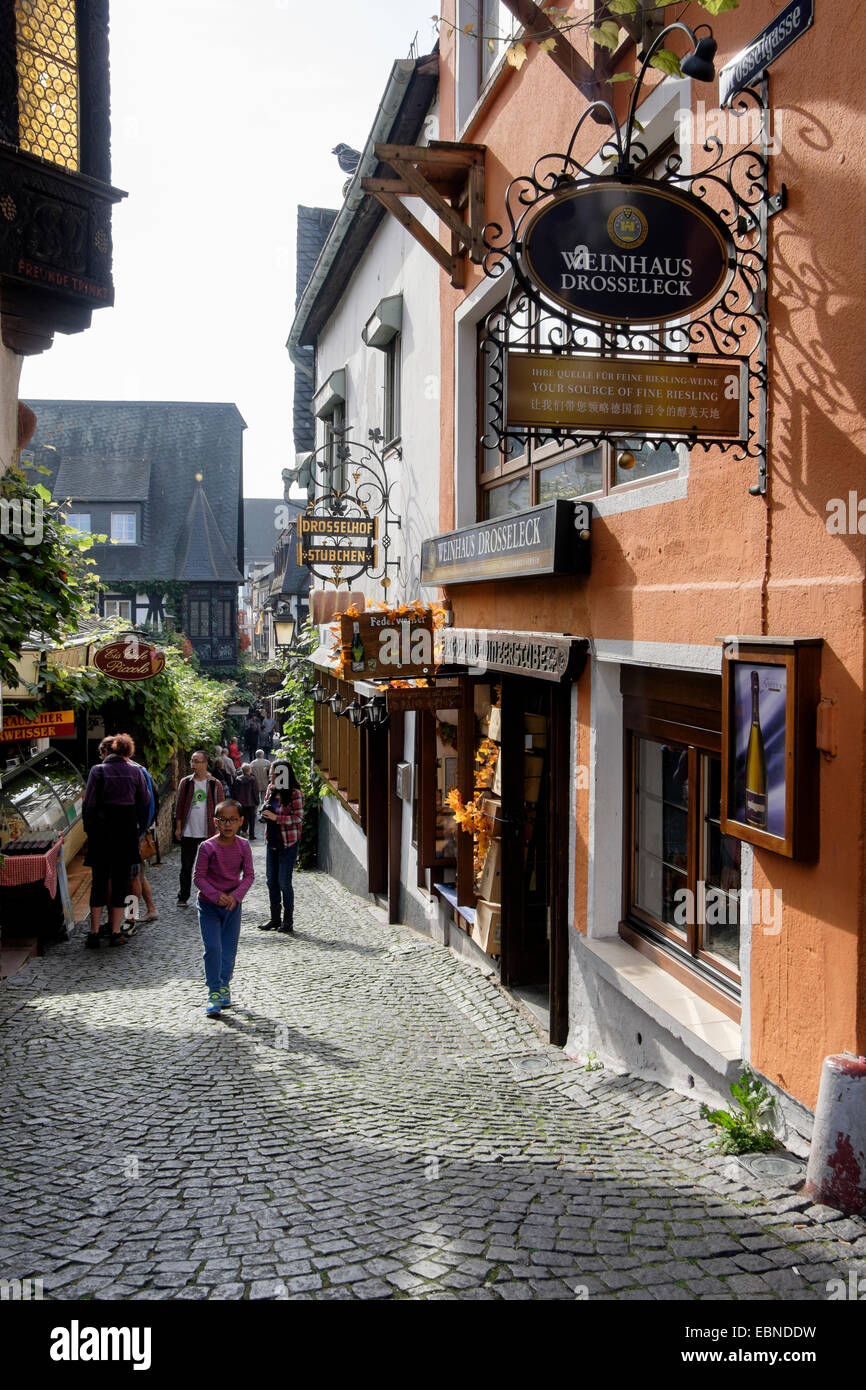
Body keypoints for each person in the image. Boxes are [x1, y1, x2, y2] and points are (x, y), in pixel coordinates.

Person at [82, 733, 151, 948]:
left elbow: (89, 804)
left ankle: (93, 932)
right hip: (126, 832)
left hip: (101, 834)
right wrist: (138, 827)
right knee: (123, 881)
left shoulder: (98, 771)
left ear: (108, 751)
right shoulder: (135, 771)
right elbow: (145, 800)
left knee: (99, 882)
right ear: (128, 752)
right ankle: (117, 931)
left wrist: (89, 831)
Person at [193, 798, 254, 1017]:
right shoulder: (207, 847)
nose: (228, 824)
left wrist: (235, 897)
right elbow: (198, 877)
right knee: (213, 949)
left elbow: (248, 875)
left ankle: (224, 984)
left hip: (232, 908)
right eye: (223, 820)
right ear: (215, 822)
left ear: (241, 821)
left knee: (228, 951)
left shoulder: (243, 846)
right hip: (209, 906)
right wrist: (217, 896)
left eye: (233, 820)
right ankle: (214, 992)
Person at [258, 759, 304, 934]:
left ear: (283, 774)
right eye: (271, 772)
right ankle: (275, 919)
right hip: (272, 840)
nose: (270, 775)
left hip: (288, 843)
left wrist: (277, 818)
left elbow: (299, 818)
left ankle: (288, 921)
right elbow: (268, 809)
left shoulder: (294, 793)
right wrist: (263, 813)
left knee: (284, 882)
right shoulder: (271, 789)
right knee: (271, 881)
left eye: (273, 773)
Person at [173, 751, 225, 907]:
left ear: (205, 763)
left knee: (209, 868)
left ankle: (210, 896)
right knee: (186, 866)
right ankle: (183, 896)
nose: (193, 764)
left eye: (197, 761)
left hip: (208, 831)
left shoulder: (215, 784)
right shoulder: (186, 782)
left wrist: (219, 830)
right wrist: (178, 828)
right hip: (188, 831)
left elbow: (221, 810)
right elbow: (179, 806)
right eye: (192, 761)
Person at [233, 762, 258, 839]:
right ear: (249, 770)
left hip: (241, 802)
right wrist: (257, 802)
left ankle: (243, 832)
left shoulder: (238, 779)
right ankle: (251, 834)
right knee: (252, 819)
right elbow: (255, 791)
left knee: (243, 818)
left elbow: (235, 792)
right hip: (251, 802)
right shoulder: (253, 779)